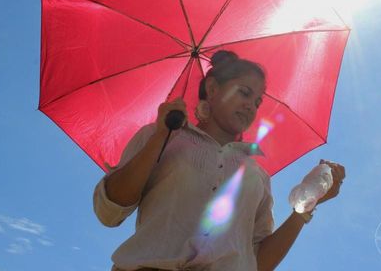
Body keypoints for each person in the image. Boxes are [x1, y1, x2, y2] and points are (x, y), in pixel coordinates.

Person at [93, 50, 346, 271]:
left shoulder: (257, 176)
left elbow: (258, 263)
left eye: (257, 101)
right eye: (244, 93)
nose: (251, 107)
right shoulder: (162, 135)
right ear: (212, 89)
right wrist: (160, 136)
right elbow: (109, 211)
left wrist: (307, 205)